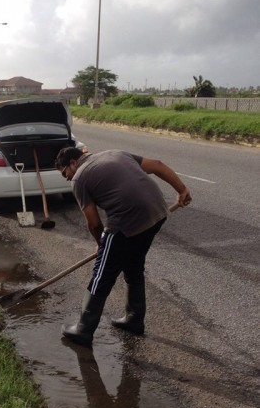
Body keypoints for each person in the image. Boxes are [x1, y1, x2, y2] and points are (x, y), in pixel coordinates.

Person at [55, 146, 192, 345]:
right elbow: (157, 165)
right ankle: (134, 320)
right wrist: (182, 189)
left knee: (102, 274)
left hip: (126, 221)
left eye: (64, 172)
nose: (66, 178)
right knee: (134, 263)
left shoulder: (79, 178)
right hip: (158, 213)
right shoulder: (114, 153)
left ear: (73, 163)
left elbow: (93, 223)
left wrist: (101, 245)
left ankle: (83, 329)